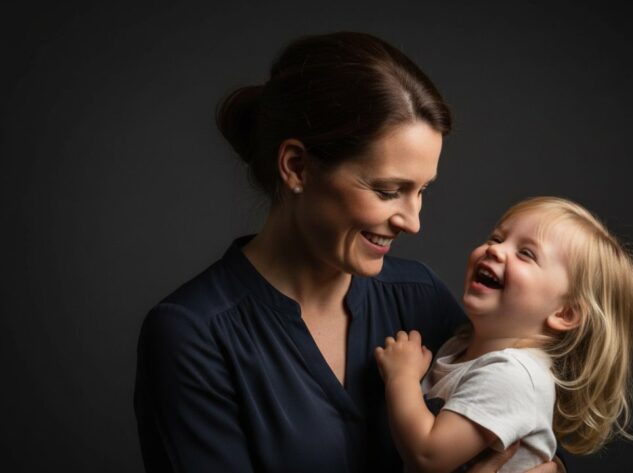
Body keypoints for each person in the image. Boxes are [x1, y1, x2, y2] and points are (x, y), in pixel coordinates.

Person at [134, 32, 558, 473]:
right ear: (297, 167)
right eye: (388, 190)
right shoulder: (193, 335)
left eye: (421, 191)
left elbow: (520, 425)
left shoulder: (419, 295)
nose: (412, 221)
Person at [375, 196, 633, 473]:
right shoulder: (461, 345)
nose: (495, 250)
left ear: (564, 314)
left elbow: (427, 457)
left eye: (526, 253)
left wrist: (402, 377)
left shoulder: (513, 375)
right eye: (496, 238)